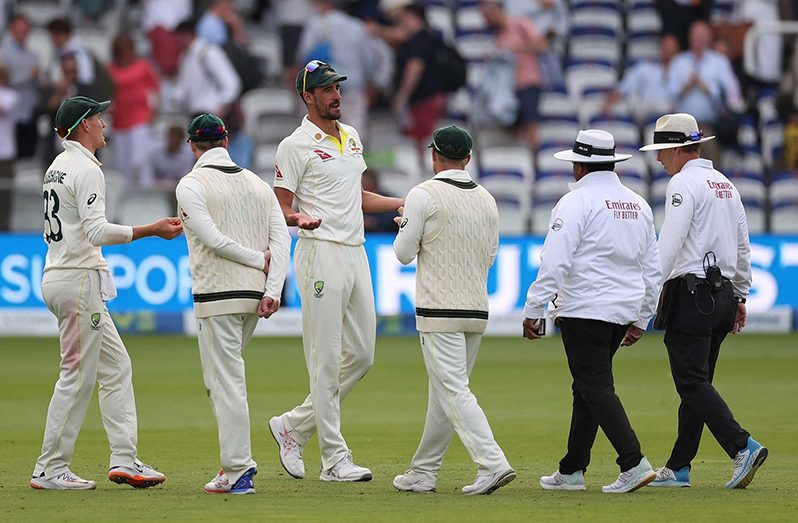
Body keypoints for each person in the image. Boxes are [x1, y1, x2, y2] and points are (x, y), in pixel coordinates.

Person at [31, 96, 183, 490]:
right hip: (78, 278)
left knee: (116, 367)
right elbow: (96, 232)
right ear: (83, 125)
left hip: (63, 274)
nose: (104, 123)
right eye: (98, 117)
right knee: (77, 376)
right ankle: (49, 468)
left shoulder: (56, 167)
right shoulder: (85, 168)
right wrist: (150, 230)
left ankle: (124, 459)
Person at [269, 60, 403, 482]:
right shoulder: (294, 145)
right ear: (308, 97)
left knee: (362, 355)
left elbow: (358, 198)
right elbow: (279, 206)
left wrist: (405, 203)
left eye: (337, 86)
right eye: (326, 89)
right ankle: (333, 459)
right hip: (319, 252)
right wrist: (299, 218)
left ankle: (293, 425)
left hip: (356, 251)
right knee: (325, 359)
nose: (336, 94)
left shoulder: (352, 137)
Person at [523, 129, 660, 494]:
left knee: (595, 386)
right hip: (622, 310)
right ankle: (572, 470)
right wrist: (642, 316)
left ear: (581, 165)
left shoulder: (575, 203)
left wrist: (534, 307)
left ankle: (633, 462)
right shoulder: (638, 204)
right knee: (586, 387)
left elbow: (555, 260)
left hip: (584, 308)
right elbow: (652, 268)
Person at [639, 113, 767, 489]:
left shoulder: (683, 183)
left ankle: (742, 445)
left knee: (691, 382)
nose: (659, 160)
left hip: (692, 295)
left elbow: (669, 245)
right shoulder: (726, 184)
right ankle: (679, 467)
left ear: (678, 149)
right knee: (698, 383)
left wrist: (646, 299)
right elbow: (743, 245)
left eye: (663, 151)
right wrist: (740, 294)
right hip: (723, 294)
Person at [392, 125, 516, 496]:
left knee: (453, 391)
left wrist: (404, 227)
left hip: (438, 308)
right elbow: (491, 255)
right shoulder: (487, 198)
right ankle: (423, 472)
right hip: (476, 307)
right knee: (445, 393)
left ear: (434, 156)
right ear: (468, 158)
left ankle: (492, 463)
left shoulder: (423, 194)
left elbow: (402, 253)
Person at [176, 113, 291, 495]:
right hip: (253, 297)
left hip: (218, 296)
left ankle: (239, 469)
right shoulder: (258, 185)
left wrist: (260, 263)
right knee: (220, 381)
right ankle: (234, 467)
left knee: (225, 382)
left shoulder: (191, 184)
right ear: (226, 141)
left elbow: (211, 238)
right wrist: (272, 287)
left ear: (193, 145)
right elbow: (281, 241)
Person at [479, 0, 548, 150]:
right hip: (508, 88)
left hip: (528, 81)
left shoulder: (521, 24)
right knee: (511, 126)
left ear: (497, 11)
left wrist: (512, 48)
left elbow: (542, 45)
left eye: (488, 15)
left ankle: (536, 160)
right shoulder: (497, 35)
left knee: (531, 123)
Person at [297, 0, 374, 134]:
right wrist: (367, 82)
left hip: (325, 85)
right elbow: (367, 60)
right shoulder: (357, 26)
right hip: (353, 85)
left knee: (325, 133)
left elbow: (304, 55)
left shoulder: (316, 24)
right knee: (355, 132)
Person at [108, 33, 160, 186]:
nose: (124, 54)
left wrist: (153, 113)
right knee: (122, 166)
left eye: (126, 50)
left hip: (139, 118)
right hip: (119, 121)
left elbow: (155, 91)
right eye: (120, 50)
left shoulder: (143, 67)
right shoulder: (110, 69)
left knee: (139, 161)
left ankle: (146, 192)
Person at [601, 33, 680, 123]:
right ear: (661, 48)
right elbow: (624, 87)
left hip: (676, 118)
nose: (668, 51)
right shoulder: (645, 68)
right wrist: (608, 104)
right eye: (666, 47)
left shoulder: (683, 71)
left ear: (677, 51)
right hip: (651, 117)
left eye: (671, 48)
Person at [173, 19, 241, 117]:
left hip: (211, 112)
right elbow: (183, 86)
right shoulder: (185, 57)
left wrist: (222, 105)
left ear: (186, 35)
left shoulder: (209, 52)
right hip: (194, 113)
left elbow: (231, 82)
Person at [0, 14, 40, 158]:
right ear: (11, 30)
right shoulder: (3, 53)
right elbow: (5, 81)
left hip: (29, 110)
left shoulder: (33, 55)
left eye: (25, 30)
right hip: (12, 112)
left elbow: (38, 82)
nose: (22, 34)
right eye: (19, 30)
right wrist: (28, 76)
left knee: (28, 154)